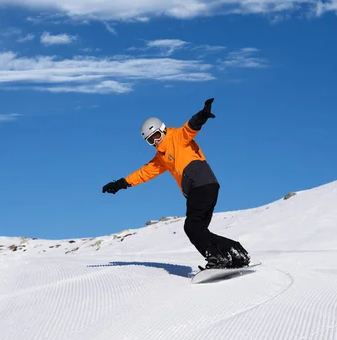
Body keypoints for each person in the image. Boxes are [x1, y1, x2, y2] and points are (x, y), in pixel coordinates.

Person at [102, 98, 250, 269]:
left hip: (200, 184)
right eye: (151, 140)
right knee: (198, 230)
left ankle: (218, 258)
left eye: (156, 136)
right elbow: (144, 173)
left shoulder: (176, 137)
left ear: (163, 130)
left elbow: (190, 128)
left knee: (192, 227)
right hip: (203, 187)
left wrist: (202, 115)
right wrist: (121, 184)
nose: (156, 142)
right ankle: (236, 252)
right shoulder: (161, 158)